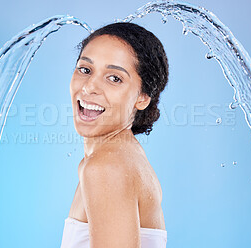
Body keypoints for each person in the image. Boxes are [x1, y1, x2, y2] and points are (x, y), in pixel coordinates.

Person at [60, 22, 169, 248]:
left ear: (143, 97)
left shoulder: (107, 166)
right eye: (85, 70)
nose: (89, 87)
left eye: (114, 78)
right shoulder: (126, 155)